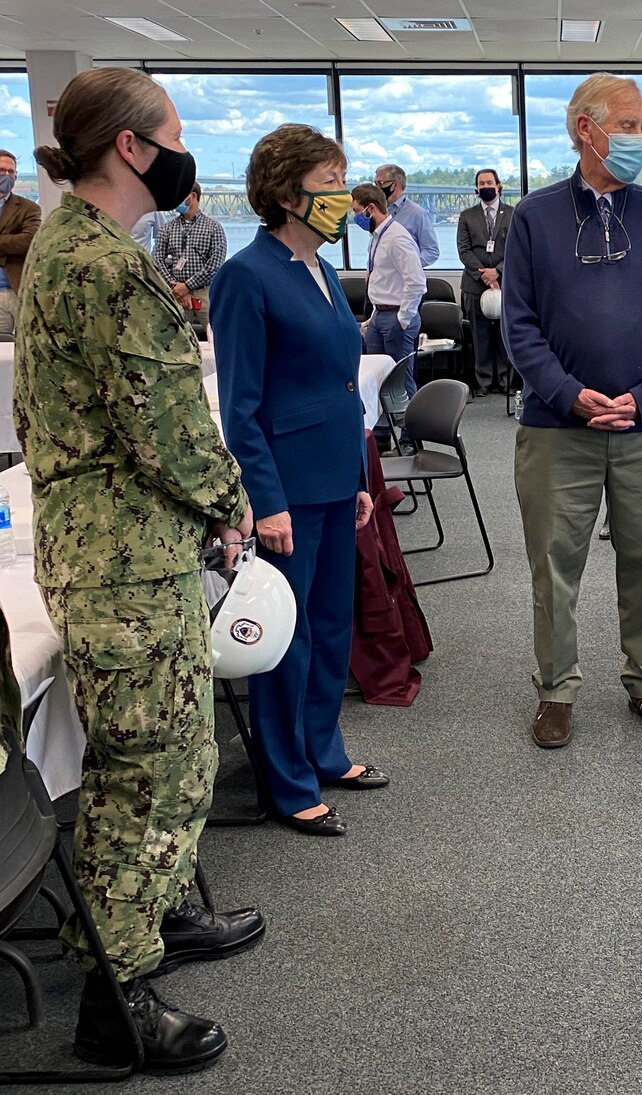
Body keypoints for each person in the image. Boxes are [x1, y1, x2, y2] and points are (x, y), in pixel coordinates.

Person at [15, 66, 261, 1073]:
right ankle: (117, 1001)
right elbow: (168, 425)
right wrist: (230, 505)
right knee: (145, 774)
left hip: (118, 553)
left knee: (174, 755)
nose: (181, 149)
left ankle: (148, 918)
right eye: (172, 132)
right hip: (124, 565)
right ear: (130, 146)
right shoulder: (109, 268)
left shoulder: (66, 243)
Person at [503, 72, 642, 750]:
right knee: (554, 565)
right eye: (630, 125)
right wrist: (567, 392)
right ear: (587, 129)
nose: (640, 139)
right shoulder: (534, 217)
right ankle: (556, 689)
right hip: (559, 428)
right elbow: (519, 326)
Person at [212, 123, 388, 838]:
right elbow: (240, 407)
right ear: (287, 194)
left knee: (327, 626)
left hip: (332, 480)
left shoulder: (318, 267)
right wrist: (265, 502)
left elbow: (341, 385)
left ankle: (324, 750)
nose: (343, 197)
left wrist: (357, 478)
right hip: (285, 492)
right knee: (283, 641)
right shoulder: (246, 276)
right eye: (329, 182)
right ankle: (285, 781)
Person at [355, 181, 427, 440]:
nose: (355, 218)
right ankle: (384, 434)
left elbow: (417, 281)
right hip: (379, 315)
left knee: (401, 379)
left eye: (356, 211)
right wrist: (372, 317)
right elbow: (382, 280)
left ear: (370, 209)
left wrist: (404, 318)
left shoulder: (397, 237)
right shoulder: (377, 237)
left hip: (397, 317)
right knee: (377, 379)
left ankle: (411, 434)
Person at [457, 166, 514, 396]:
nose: (486, 187)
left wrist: (498, 272)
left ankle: (505, 381)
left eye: (489, 183)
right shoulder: (466, 216)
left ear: (498, 186)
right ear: (476, 188)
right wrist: (484, 274)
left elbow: (517, 249)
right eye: (481, 184)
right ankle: (483, 382)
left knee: (504, 335)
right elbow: (464, 250)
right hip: (474, 285)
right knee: (479, 337)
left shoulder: (513, 213)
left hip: (505, 284)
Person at [153, 181, 228, 331]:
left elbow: (215, 264)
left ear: (193, 196)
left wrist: (188, 286)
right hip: (175, 292)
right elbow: (158, 259)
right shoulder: (167, 228)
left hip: (204, 292)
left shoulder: (214, 228)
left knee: (217, 333)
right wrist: (177, 287)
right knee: (172, 335)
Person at [0, 147, 40, 338]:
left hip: (18, 290)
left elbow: (29, 240)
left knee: (28, 347)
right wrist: (10, 242)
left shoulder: (29, 208)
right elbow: (17, 240)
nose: (7, 175)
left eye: (11, 172)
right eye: (2, 170)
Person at [374, 162, 439, 265]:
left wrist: (409, 265)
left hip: (405, 277)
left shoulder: (417, 213)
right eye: (375, 184)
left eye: (381, 183)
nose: (377, 188)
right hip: (381, 275)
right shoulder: (377, 211)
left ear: (396, 184)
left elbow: (432, 251)